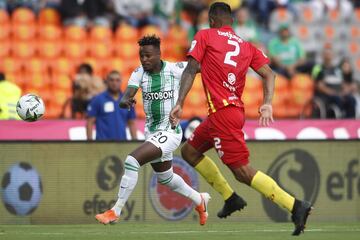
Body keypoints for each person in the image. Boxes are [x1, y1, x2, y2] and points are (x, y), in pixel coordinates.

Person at [169, 2, 312, 235]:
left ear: (212, 20)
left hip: (223, 114)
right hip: (227, 113)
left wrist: (179, 103)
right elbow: (270, 74)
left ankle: (295, 205)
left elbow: (191, 68)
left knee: (243, 172)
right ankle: (231, 198)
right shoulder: (247, 46)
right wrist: (266, 103)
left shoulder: (205, 35)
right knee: (190, 152)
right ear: (232, 22)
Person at [95, 35, 211, 225]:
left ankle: (115, 211)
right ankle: (200, 200)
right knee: (166, 178)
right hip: (153, 133)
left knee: (132, 160)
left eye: (148, 55)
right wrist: (127, 102)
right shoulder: (139, 73)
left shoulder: (174, 69)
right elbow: (124, 98)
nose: (144, 59)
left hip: (170, 131)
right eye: (142, 56)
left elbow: (199, 67)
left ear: (158, 54)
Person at [86, 70, 137, 140]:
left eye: (117, 80)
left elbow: (131, 123)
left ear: (121, 82)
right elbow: (90, 122)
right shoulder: (98, 99)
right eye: (111, 80)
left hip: (122, 144)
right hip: (102, 145)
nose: (114, 83)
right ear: (107, 81)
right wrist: (90, 143)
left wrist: (135, 142)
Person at [313, 48, 356, 118]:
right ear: (322, 56)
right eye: (326, 54)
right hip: (326, 96)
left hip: (339, 93)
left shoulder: (337, 69)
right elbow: (320, 86)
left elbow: (342, 83)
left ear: (333, 55)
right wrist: (334, 93)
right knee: (337, 99)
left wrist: (346, 90)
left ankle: (351, 121)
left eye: (330, 54)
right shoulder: (319, 68)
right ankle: (339, 120)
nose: (328, 56)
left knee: (351, 99)